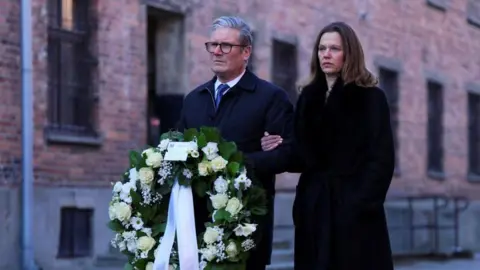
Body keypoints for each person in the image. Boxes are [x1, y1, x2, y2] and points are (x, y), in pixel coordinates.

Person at [261, 21, 395, 270]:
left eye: (334, 48)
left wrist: (358, 205)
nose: (326, 54)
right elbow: (302, 155)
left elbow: (382, 159)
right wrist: (277, 146)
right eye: (322, 48)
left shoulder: (370, 98)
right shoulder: (307, 98)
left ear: (349, 53)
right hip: (314, 208)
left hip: (355, 213)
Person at [176, 16, 294, 270]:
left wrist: (230, 163)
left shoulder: (270, 97)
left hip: (245, 226)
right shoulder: (194, 99)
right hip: (195, 224)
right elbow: (177, 148)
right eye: (213, 45)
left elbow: (287, 155)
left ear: (246, 52)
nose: (217, 51)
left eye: (226, 46)